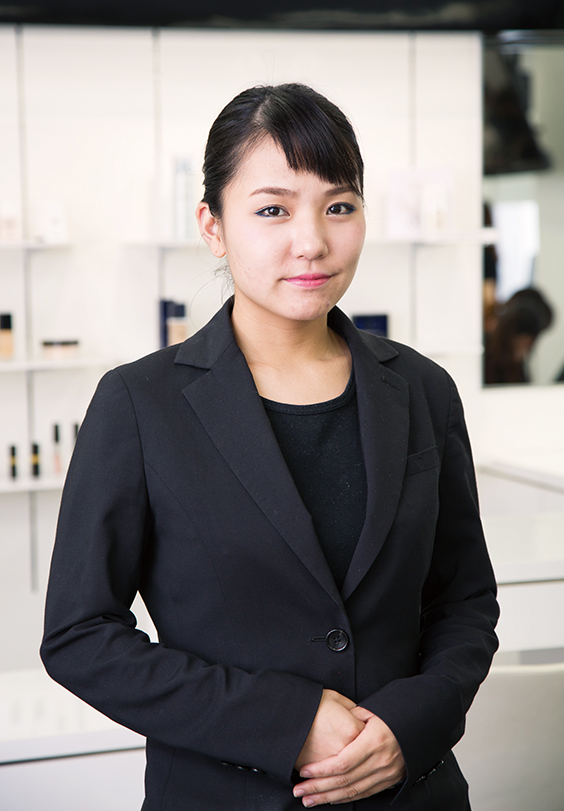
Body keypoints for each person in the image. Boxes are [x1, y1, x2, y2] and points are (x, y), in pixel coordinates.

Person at [41, 83, 499, 810]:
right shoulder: (140, 403)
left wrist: (409, 726)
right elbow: (80, 635)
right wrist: (286, 722)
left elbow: (464, 599)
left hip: (411, 793)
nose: (311, 240)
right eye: (272, 210)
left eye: (338, 206)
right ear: (213, 225)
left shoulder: (421, 389)